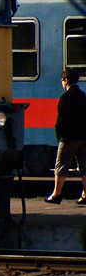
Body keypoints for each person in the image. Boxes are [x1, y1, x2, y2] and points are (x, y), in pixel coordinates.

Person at [45, 68, 86, 205]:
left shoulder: (66, 97)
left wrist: (59, 136)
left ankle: (57, 193)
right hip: (83, 136)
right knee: (84, 166)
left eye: (62, 80)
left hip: (69, 137)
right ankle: (85, 194)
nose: (62, 83)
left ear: (66, 80)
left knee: (61, 164)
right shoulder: (83, 96)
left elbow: (61, 119)